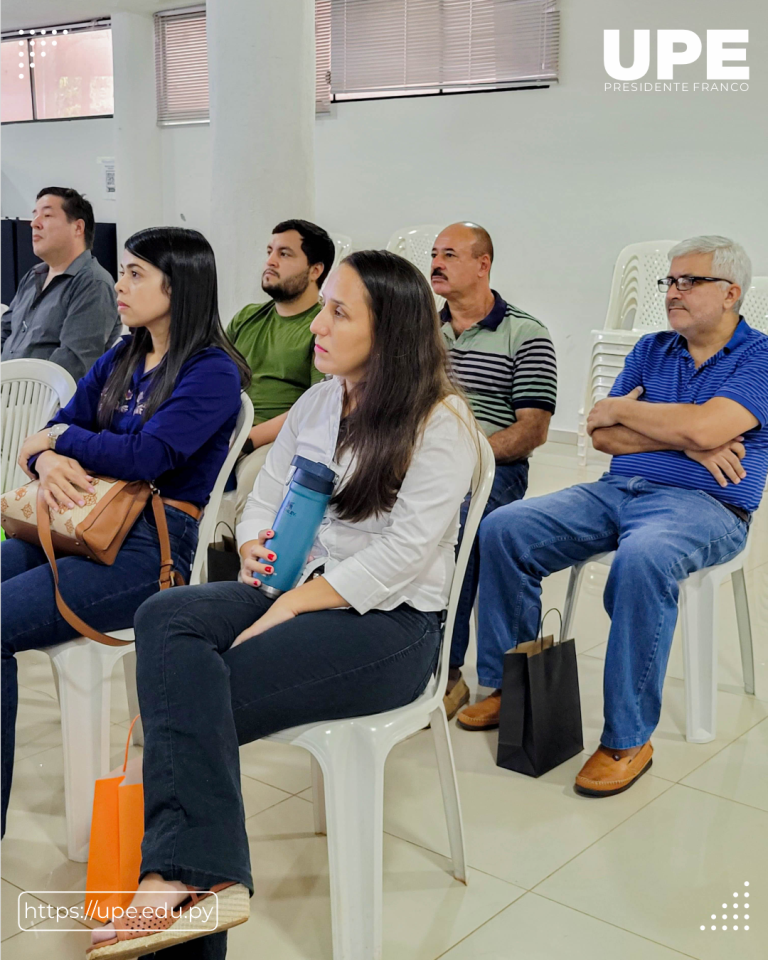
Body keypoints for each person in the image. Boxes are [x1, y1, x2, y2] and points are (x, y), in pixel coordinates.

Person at [87, 250, 479, 958]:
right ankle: (200, 881)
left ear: (387, 332)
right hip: (294, 587)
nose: (317, 328)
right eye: (323, 306)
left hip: (389, 625)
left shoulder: (441, 423)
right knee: (162, 619)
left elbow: (403, 559)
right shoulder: (320, 401)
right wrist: (258, 551)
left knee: (200, 700)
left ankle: (178, 883)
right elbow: (265, 501)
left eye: (338, 312)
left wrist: (292, 606)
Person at [468, 236, 767, 797]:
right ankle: (511, 687)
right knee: (503, 528)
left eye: (688, 282)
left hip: (706, 506)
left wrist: (638, 413)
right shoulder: (652, 348)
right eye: (669, 281)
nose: (672, 292)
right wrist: (691, 439)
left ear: (731, 293)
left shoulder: (760, 356)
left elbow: (670, 424)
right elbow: (601, 433)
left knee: (645, 558)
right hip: (617, 491)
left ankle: (627, 738)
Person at [1, 227, 249, 836]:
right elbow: (46, 435)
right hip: (69, 526)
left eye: (136, 273)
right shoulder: (124, 354)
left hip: (146, 551)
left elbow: (149, 457)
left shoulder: (213, 372)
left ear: (179, 284)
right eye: (124, 270)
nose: (120, 283)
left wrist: (62, 443)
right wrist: (51, 455)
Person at [430, 222, 557, 720]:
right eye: (434, 254)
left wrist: (470, 459)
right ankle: (406, 658)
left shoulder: (526, 334)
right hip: (424, 461)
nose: (436, 263)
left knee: (458, 526)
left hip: (493, 468)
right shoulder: (423, 330)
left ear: (483, 265)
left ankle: (453, 673)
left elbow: (533, 430)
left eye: (450, 254)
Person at [227, 219, 335, 518]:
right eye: (270, 251)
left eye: (285, 254)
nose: (270, 261)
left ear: (316, 270)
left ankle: (247, 564)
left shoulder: (321, 328)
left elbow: (319, 405)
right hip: (228, 432)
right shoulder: (246, 317)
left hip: (277, 440)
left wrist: (246, 440)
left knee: (253, 480)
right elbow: (211, 380)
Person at [1, 187, 121, 380]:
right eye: (34, 215)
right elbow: (4, 332)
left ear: (78, 228)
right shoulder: (34, 275)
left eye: (47, 215)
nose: (34, 223)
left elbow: (71, 365)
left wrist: (11, 391)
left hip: (37, 403)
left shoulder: (92, 283)